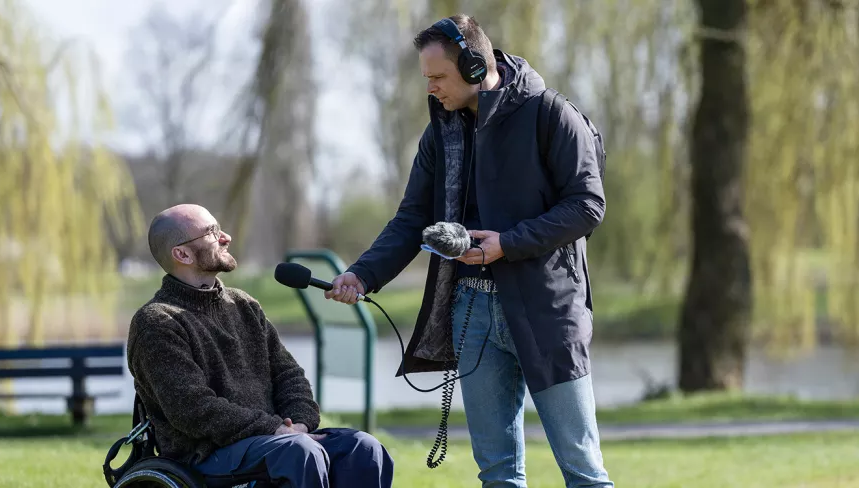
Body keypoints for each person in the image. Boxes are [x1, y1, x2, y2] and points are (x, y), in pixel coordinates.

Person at [325, 14, 613, 488]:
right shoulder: (438, 133)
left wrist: (508, 244)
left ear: (476, 66)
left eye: (438, 77)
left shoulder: (552, 114)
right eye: (427, 78)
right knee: (497, 474)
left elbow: (588, 205)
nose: (431, 89)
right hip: (470, 313)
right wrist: (362, 274)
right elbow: (411, 219)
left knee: (584, 472)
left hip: (548, 311)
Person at [126, 204, 394, 488]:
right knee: (299, 453)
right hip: (205, 455)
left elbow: (289, 376)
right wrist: (275, 430)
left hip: (276, 441)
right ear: (182, 254)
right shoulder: (156, 322)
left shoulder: (243, 304)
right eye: (212, 232)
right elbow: (193, 409)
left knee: (363, 448)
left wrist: (300, 424)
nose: (226, 237)